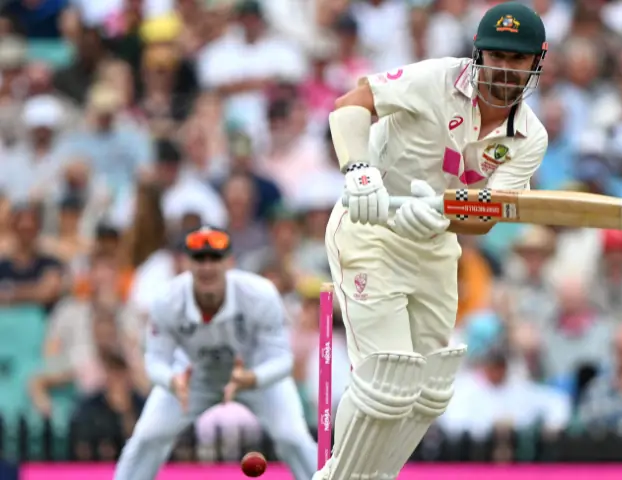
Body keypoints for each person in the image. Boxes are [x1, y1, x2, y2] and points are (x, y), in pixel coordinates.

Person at [320, 2, 548, 479]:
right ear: (478, 53)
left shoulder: (530, 137)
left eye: (517, 59)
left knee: (428, 392)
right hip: (371, 229)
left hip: (437, 244)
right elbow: (349, 107)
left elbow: (486, 218)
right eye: (496, 56)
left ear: (537, 61)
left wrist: (441, 212)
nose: (504, 69)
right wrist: (360, 171)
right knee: (388, 381)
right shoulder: (435, 79)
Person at [114, 226, 317, 480]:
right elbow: (155, 360)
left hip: (254, 375)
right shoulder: (167, 300)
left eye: (215, 258)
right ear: (186, 262)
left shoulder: (259, 294)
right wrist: (171, 381)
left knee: (292, 437)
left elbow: (282, 360)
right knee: (148, 436)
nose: (207, 267)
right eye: (199, 259)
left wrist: (251, 379)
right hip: (193, 378)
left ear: (230, 261)